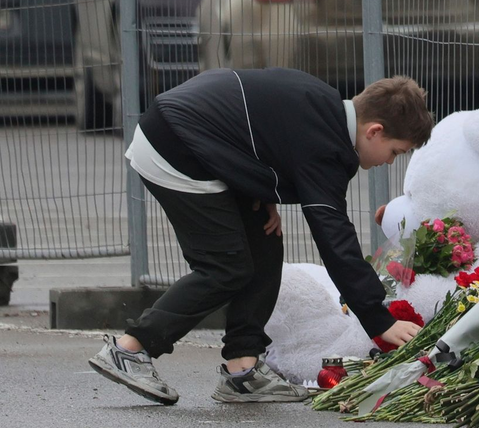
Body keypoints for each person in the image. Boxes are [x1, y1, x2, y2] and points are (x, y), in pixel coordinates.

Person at [88, 68, 434, 405]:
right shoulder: (326, 145)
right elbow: (334, 237)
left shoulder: (323, 105)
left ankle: (243, 370)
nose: (390, 163)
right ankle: (129, 349)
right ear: (374, 131)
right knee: (225, 268)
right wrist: (378, 319)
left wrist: (261, 188)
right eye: (396, 152)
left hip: (197, 138)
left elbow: (260, 129)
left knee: (265, 244)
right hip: (176, 146)